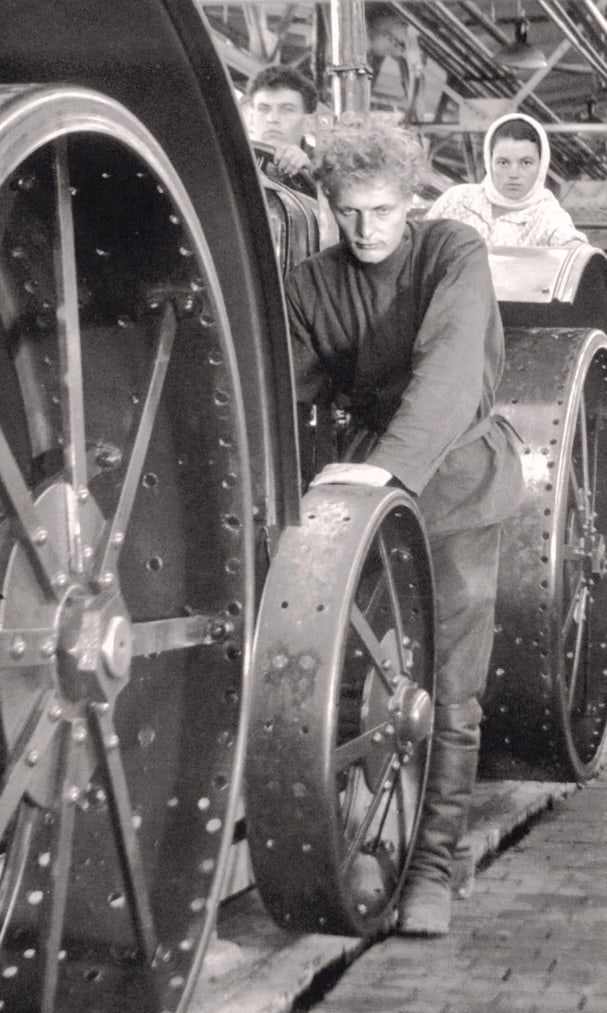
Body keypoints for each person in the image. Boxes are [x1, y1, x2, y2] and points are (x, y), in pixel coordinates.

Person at [285, 116, 524, 936]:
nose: (366, 229)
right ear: (327, 203)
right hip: (363, 494)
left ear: (412, 199)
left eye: (383, 210)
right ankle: (367, 836)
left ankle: (432, 865)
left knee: (450, 685)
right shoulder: (309, 284)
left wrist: (387, 471)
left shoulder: (450, 250)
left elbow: (451, 370)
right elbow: (289, 394)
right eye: (348, 211)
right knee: (363, 681)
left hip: (451, 478)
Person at [425, 112, 586, 247]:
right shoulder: (457, 200)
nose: (514, 173)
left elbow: (578, 258)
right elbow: (418, 247)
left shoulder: (549, 219)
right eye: (503, 162)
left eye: (526, 163)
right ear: (489, 162)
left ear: (541, 165)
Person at [244, 64, 318, 193]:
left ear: (308, 123)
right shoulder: (228, 160)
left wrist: (311, 175)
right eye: (264, 109)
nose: (272, 118)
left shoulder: (323, 170)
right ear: (250, 118)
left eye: (287, 110)